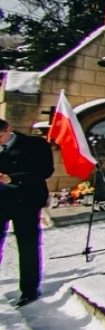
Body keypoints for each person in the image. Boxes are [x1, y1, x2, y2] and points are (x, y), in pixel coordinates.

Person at [0, 120, 54, 307]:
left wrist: (13, 178)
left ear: (9, 129)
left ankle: (29, 290)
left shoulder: (36, 145)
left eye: (0, 137)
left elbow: (45, 171)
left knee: (28, 246)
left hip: (26, 201)